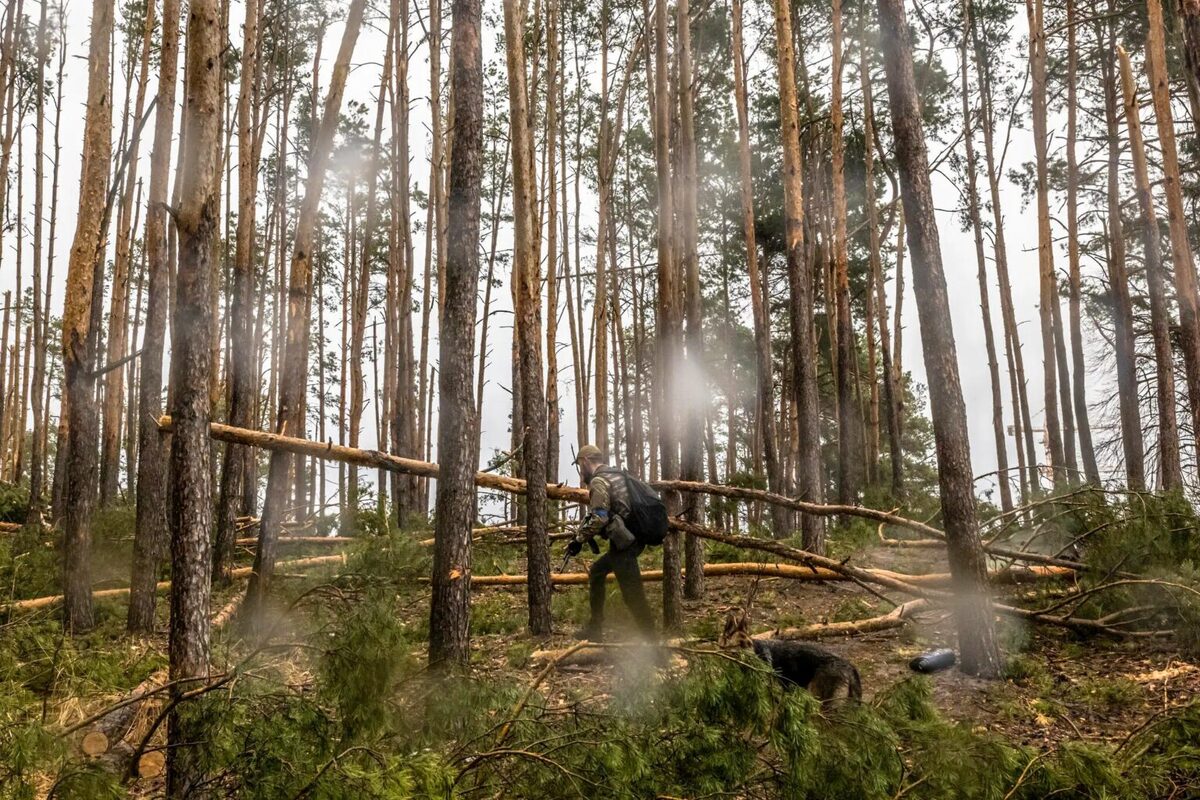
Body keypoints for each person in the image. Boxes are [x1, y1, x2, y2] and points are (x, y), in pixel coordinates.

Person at [565, 445, 657, 641]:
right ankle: (595, 629)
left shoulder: (599, 481)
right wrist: (581, 536)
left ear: (587, 461)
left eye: (580, 464)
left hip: (626, 544)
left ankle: (654, 647)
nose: (581, 470)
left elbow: (599, 516)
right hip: (632, 539)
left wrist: (579, 540)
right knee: (598, 571)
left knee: (633, 594)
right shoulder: (615, 474)